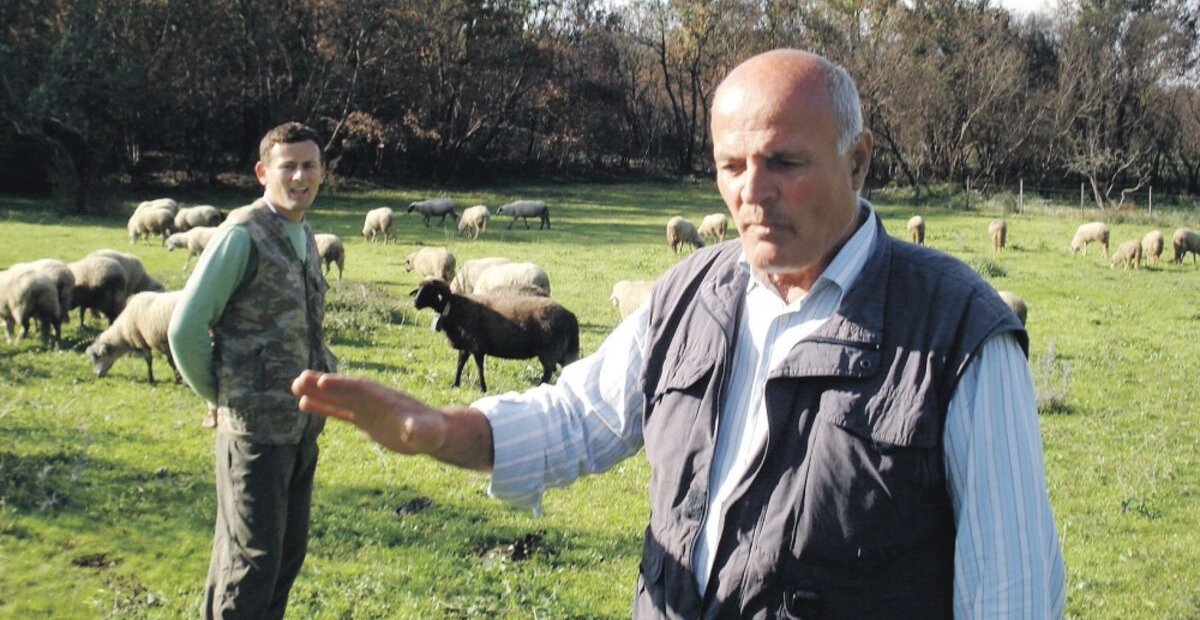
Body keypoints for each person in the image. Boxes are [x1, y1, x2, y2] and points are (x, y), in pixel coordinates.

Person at [291, 50, 1065, 619]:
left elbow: (1012, 595)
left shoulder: (958, 334)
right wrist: (442, 431)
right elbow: (577, 418)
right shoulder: (689, 293)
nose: (751, 193)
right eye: (731, 165)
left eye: (784, 163)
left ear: (857, 160)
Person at [170, 121, 338, 620]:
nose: (300, 176)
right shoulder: (242, 235)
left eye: (309, 166)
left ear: (322, 172)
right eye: (288, 166)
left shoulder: (303, 232)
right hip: (255, 435)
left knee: (284, 557)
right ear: (263, 172)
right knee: (251, 564)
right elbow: (184, 329)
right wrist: (221, 397)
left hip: (300, 428)